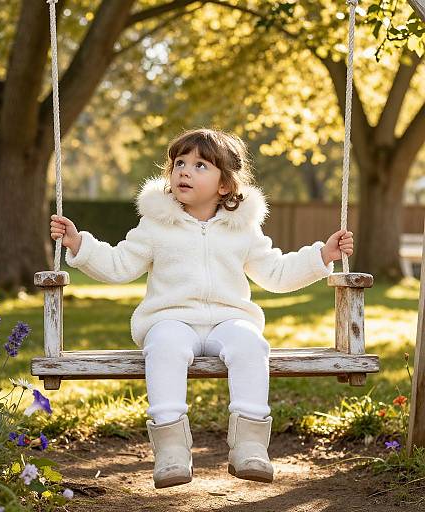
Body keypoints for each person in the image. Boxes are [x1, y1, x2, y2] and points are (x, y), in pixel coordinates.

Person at [50, 128, 354, 489]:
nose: (184, 171)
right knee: (164, 348)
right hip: (171, 318)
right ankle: (172, 451)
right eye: (179, 163)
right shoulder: (156, 225)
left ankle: (250, 446)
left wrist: (321, 256)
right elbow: (119, 265)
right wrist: (79, 244)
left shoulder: (242, 229)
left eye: (199, 165)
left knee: (251, 345)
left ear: (224, 185)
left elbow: (275, 272)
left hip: (229, 318)